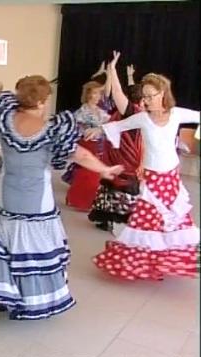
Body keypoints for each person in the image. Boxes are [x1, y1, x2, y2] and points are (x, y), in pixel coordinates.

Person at [0, 76, 123, 320]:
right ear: (42, 101)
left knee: (1, 241)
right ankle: (27, 296)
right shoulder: (51, 128)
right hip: (36, 201)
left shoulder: (3, 117)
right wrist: (104, 169)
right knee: (33, 246)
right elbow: (80, 155)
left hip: (4, 195)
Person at [92, 72, 200, 280]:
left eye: (151, 96)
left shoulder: (176, 114)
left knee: (174, 221)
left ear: (163, 94)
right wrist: (99, 130)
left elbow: (198, 116)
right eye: (145, 96)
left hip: (171, 179)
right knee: (146, 222)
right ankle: (143, 264)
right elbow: (119, 126)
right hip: (152, 180)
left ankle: (166, 262)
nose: (147, 100)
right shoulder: (142, 118)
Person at [88, 51, 144, 231]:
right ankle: (118, 219)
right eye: (145, 98)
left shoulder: (139, 114)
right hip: (125, 158)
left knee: (114, 184)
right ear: (140, 101)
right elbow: (117, 92)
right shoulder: (132, 112)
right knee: (120, 184)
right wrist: (112, 70)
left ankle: (109, 219)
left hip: (127, 157)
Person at [64, 81, 111, 211]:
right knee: (88, 171)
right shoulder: (82, 111)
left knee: (96, 172)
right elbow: (76, 127)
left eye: (99, 93)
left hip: (101, 144)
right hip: (88, 143)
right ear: (89, 94)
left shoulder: (101, 111)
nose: (97, 96)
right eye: (95, 93)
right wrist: (87, 132)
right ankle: (82, 201)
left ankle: (90, 199)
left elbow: (108, 124)